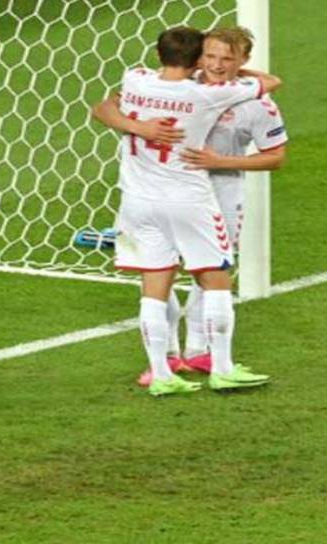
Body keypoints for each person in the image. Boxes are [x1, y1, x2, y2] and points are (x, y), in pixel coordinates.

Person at [90, 26, 280, 396]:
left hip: (138, 201)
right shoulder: (206, 94)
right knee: (217, 280)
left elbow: (103, 106)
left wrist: (138, 126)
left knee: (153, 286)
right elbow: (272, 80)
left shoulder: (136, 78)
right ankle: (221, 367)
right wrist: (237, 70)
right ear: (197, 61)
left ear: (158, 55)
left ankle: (162, 374)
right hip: (189, 200)